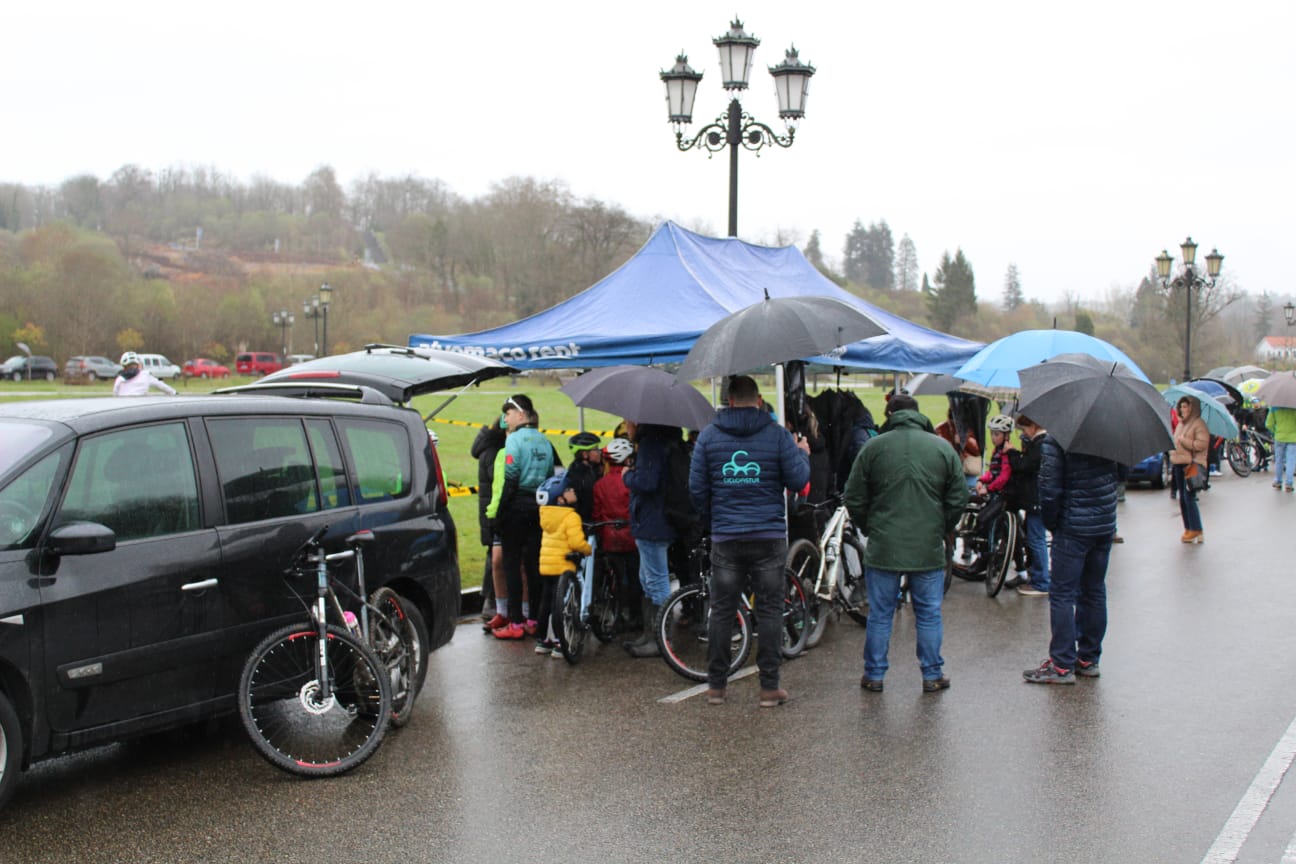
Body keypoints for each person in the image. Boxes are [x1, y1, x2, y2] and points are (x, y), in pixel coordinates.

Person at [689, 375, 810, 706]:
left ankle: (717, 686)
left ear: (728, 400)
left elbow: (697, 490)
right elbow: (798, 480)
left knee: (722, 611)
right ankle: (769, 688)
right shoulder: (778, 435)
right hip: (768, 536)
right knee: (770, 611)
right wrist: (802, 454)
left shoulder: (709, 437)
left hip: (726, 537)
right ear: (759, 400)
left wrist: (716, 520)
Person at [844, 393, 967, 693]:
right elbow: (959, 497)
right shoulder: (942, 447)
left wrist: (869, 525)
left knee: (881, 615)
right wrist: (941, 527)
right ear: (918, 414)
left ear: (888, 414)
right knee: (928, 614)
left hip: (884, 545)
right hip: (927, 547)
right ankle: (932, 673)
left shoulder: (873, 448)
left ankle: (874, 675)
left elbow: (854, 496)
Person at [1022, 433, 1125, 684]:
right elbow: (1122, 473)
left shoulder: (1058, 437)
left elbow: (1049, 487)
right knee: (1094, 591)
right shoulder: (1112, 433)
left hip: (1072, 526)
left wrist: (1053, 522)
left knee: (1063, 594)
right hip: (1103, 523)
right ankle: (1088, 658)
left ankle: (1061, 663)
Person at [485, 394, 555, 639]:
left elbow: (510, 478)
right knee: (534, 565)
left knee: (512, 565)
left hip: (516, 506)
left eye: (509, 413)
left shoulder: (514, 440)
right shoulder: (545, 441)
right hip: (538, 506)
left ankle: (515, 623)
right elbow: (549, 476)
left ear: (522, 414)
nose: (505, 418)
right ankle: (534, 619)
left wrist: (500, 513)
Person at [620, 420, 684, 658]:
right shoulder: (668, 441)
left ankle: (660, 640)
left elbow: (647, 482)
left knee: (655, 581)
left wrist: (628, 476)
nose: (627, 427)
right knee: (648, 579)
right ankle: (650, 635)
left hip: (652, 521)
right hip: (661, 519)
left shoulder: (650, 443)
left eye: (628, 422)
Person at [535, 474, 590, 656]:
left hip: (547, 565)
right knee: (563, 606)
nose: (573, 491)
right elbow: (576, 542)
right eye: (568, 490)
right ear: (561, 499)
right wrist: (587, 548)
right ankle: (561, 641)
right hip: (564, 565)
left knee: (546, 603)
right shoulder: (570, 516)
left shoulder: (546, 516)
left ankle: (543, 640)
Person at [593, 437, 641, 630]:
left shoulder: (600, 484)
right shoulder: (630, 481)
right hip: (631, 537)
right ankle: (636, 615)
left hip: (610, 538)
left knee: (617, 579)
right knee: (635, 577)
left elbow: (596, 513)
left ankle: (619, 614)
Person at [472, 414, 508, 625]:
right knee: (493, 557)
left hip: (489, 510)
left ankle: (491, 601)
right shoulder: (493, 452)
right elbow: (500, 477)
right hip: (493, 512)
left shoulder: (488, 448)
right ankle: (490, 600)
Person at [1012, 414, 1051, 597]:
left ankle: (1041, 581)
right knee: (1036, 538)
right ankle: (1039, 576)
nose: (1024, 432)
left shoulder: (1040, 444)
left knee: (1037, 540)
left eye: (1025, 428)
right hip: (1038, 499)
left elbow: (1025, 466)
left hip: (1036, 500)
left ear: (1034, 425)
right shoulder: (1041, 443)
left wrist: (1013, 452)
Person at [1169, 395, 1210, 544]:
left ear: (1192, 408)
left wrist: (1184, 442)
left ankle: (1196, 528)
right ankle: (1189, 528)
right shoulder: (1181, 424)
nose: (1182, 410)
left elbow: (1202, 444)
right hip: (1179, 464)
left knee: (1189, 497)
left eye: (1185, 407)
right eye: (1181, 407)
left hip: (1191, 464)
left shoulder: (1199, 424)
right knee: (1183, 498)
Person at [974, 414, 1016, 499]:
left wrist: (988, 488)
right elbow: (993, 472)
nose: (993, 438)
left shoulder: (1007, 452)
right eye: (991, 433)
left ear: (1006, 435)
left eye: (996, 434)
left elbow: (1004, 477)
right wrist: (981, 481)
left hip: (1005, 494)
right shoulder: (996, 450)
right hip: (995, 491)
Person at [564, 431, 603, 523]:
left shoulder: (594, 468)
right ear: (585, 454)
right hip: (586, 522)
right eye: (596, 449)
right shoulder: (579, 476)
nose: (599, 452)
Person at [1267, 404, 1296, 492]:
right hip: (1293, 438)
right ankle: (1289, 483)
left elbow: (1269, 424)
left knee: (1279, 460)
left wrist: (1275, 432)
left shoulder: (1274, 408)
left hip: (1279, 437)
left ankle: (1278, 481)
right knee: (1291, 460)